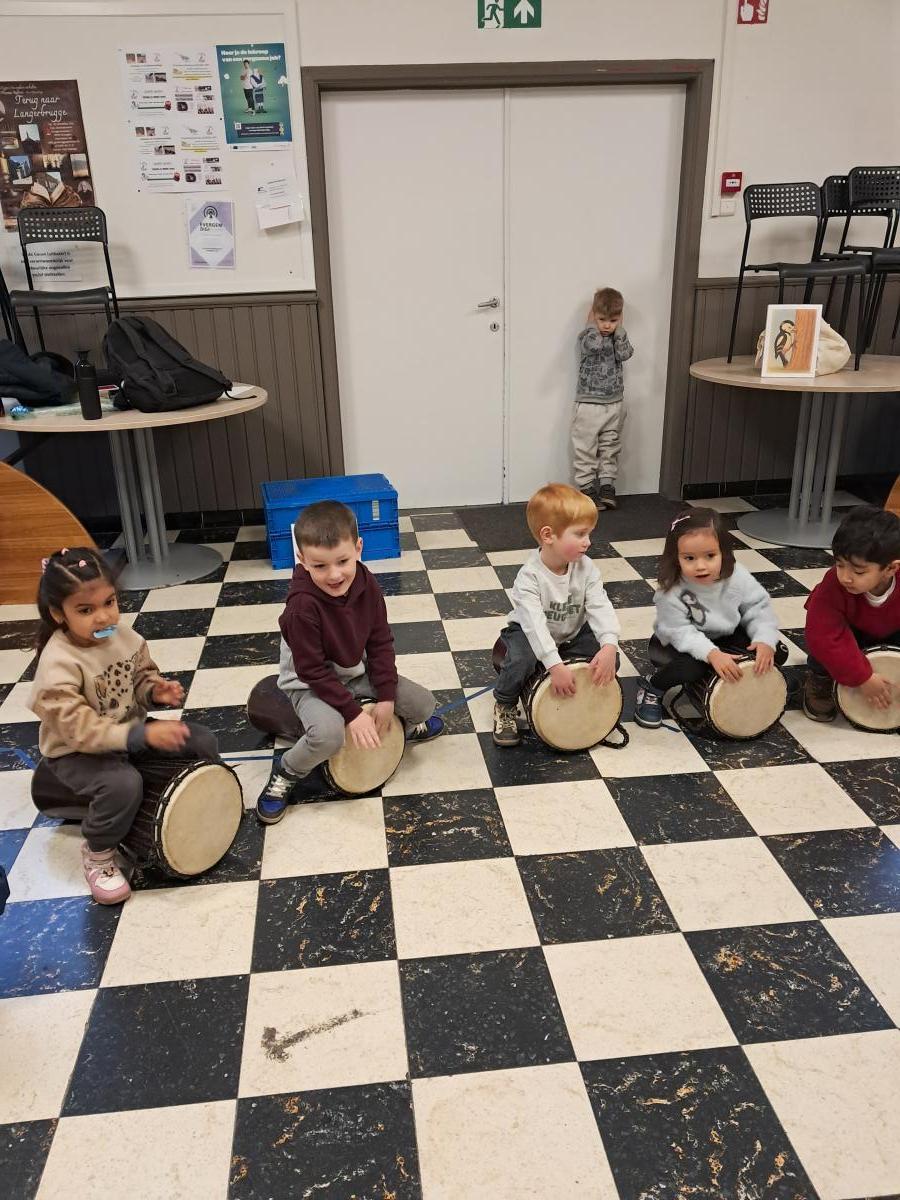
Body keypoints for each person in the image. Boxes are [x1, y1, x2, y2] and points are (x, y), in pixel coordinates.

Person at [28, 548, 219, 905]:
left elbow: (141, 675)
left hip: (130, 734)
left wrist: (154, 691)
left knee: (201, 740)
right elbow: (82, 730)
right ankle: (98, 854)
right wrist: (141, 734)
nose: (103, 616)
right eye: (85, 610)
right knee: (123, 784)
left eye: (109, 602)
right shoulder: (58, 665)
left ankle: (198, 805)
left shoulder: (122, 636)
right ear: (58, 614)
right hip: (77, 753)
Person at [257, 501, 444, 824]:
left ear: (358, 548)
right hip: (308, 683)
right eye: (319, 566)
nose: (334, 575)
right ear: (301, 559)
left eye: (342, 561)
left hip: (355, 673)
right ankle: (286, 772)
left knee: (424, 705)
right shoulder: (301, 608)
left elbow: (380, 642)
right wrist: (353, 714)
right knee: (328, 737)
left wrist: (386, 697)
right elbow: (312, 670)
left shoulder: (367, 584)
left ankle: (403, 727)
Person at [634, 507, 787, 728]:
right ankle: (653, 687)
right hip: (677, 642)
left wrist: (764, 639)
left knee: (777, 650)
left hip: (724, 633)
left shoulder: (737, 575)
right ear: (676, 558)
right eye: (689, 558)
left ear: (723, 552)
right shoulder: (671, 590)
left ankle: (755, 682)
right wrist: (712, 654)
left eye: (710, 556)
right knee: (693, 668)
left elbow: (757, 607)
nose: (701, 566)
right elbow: (680, 632)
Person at [492, 483, 620, 747]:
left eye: (589, 533)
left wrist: (609, 644)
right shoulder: (529, 577)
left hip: (572, 632)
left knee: (610, 660)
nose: (588, 542)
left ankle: (584, 700)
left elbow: (600, 606)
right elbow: (535, 626)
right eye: (580, 534)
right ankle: (504, 704)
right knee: (522, 659)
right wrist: (554, 664)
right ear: (548, 535)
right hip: (528, 633)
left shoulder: (586, 568)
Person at [802, 505, 900, 722]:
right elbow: (824, 636)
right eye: (839, 565)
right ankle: (821, 680)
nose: (845, 577)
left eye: (858, 571)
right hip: (849, 632)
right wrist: (862, 677)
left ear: (891, 569)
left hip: (892, 630)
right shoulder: (833, 585)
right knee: (822, 643)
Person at [571, 286, 634, 511]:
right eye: (602, 319)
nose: (607, 325)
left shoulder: (618, 338)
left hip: (614, 404)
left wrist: (621, 330)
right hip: (589, 404)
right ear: (593, 316)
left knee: (610, 446)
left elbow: (626, 353)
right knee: (585, 448)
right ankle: (586, 488)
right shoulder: (587, 337)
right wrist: (591, 324)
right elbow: (594, 345)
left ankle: (607, 486)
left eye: (613, 320)